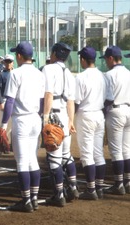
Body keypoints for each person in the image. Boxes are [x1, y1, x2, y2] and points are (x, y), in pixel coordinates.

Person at [0, 41, 44, 212]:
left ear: (19, 56)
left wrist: (3, 125)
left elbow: (10, 101)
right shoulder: (39, 74)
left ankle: (25, 201)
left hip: (22, 121)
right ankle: (34, 199)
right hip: (35, 119)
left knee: (22, 162)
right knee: (33, 159)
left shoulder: (16, 73)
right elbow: (41, 101)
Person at [42, 42, 78, 207]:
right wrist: (71, 120)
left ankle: (59, 195)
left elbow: (48, 94)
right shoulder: (70, 73)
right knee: (66, 155)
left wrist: (45, 117)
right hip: (64, 115)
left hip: (54, 114)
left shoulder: (48, 69)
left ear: (54, 53)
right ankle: (73, 187)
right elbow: (71, 101)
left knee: (54, 159)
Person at [75, 46, 107, 200]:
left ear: (83, 59)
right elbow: (108, 99)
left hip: (86, 115)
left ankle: (90, 189)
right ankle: (99, 187)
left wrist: (70, 119)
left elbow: (76, 101)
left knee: (87, 154)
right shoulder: (103, 76)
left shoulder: (81, 77)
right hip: (100, 115)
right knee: (98, 153)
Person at [100, 46, 130, 195]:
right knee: (126, 149)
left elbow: (108, 99)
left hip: (116, 111)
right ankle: (128, 181)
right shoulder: (129, 73)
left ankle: (118, 184)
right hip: (129, 110)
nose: (105, 62)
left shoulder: (109, 75)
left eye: (106, 59)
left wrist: (101, 112)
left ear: (111, 58)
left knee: (116, 150)